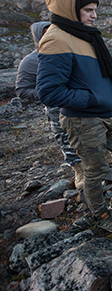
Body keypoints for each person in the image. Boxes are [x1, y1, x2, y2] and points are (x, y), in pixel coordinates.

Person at [37, 0, 112, 232]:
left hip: (107, 112)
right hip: (82, 119)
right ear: (70, 9)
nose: (94, 15)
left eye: (94, 9)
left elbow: (100, 75)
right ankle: (100, 215)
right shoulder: (56, 39)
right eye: (88, 10)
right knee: (95, 170)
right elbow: (49, 91)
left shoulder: (86, 35)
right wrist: (92, 100)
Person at [16, 21, 84, 189]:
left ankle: (101, 158)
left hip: (78, 101)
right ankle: (79, 170)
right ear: (38, 36)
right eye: (46, 33)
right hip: (56, 108)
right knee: (64, 137)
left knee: (90, 129)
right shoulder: (31, 61)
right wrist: (49, 94)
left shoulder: (70, 52)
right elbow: (22, 90)